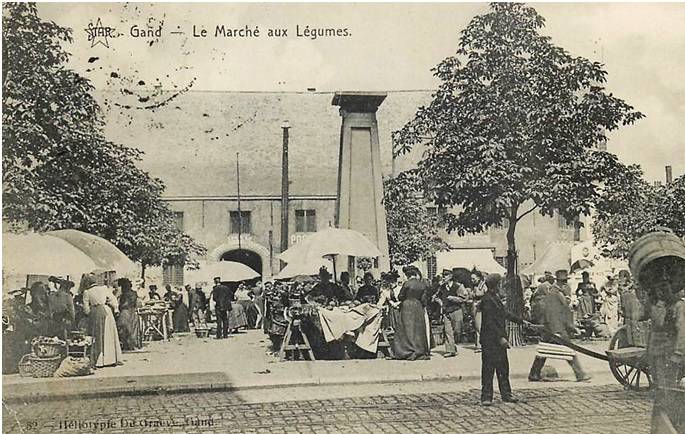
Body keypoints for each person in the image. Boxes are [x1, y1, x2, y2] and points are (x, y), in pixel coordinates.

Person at [528, 272, 591, 382]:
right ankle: (580, 374)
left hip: (553, 328)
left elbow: (564, 311)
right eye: (563, 281)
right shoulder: (553, 294)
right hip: (556, 328)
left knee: (543, 351)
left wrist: (571, 327)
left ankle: (534, 373)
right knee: (568, 350)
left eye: (565, 281)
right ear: (558, 282)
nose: (565, 283)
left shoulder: (558, 293)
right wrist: (556, 331)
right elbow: (552, 313)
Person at [479, 273, 525, 406]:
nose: (503, 287)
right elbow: (490, 322)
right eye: (501, 284)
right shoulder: (488, 300)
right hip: (490, 340)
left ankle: (506, 394)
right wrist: (501, 338)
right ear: (496, 285)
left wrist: (522, 322)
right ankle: (486, 397)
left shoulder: (494, 298)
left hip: (497, 340)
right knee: (488, 369)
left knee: (503, 368)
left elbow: (505, 314)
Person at [81, 275, 123, 368]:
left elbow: (86, 309)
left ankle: (100, 360)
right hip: (107, 311)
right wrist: (115, 308)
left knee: (98, 335)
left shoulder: (87, 292)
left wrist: (88, 313)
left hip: (95, 312)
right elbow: (113, 299)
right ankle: (111, 359)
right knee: (109, 334)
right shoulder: (104, 288)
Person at [391, 266, 431, 360]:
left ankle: (406, 350)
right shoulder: (422, 284)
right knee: (418, 329)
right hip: (418, 307)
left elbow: (401, 296)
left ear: (408, 275)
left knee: (405, 329)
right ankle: (419, 350)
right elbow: (424, 299)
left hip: (407, 307)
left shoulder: (407, 284)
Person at [441, 268, 469, 357]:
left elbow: (464, 298)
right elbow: (438, 297)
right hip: (446, 311)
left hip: (456, 310)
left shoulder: (458, 286)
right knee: (448, 331)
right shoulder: (442, 287)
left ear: (451, 276)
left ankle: (453, 346)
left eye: (445, 275)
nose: (443, 277)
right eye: (443, 275)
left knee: (457, 331)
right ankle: (450, 350)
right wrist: (440, 303)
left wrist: (453, 298)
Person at [116, 278, 141, 351]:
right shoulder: (133, 293)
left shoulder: (127, 294)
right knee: (130, 329)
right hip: (131, 311)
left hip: (126, 311)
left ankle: (127, 344)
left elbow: (124, 304)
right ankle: (130, 344)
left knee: (125, 328)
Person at [471, 270, 486, 352]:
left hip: (481, 308)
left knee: (479, 326)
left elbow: (486, 295)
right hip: (475, 307)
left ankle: (480, 345)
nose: (472, 280)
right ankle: (479, 344)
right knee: (477, 326)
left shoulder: (483, 285)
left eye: (474, 279)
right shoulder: (475, 286)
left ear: (479, 278)